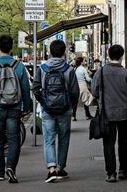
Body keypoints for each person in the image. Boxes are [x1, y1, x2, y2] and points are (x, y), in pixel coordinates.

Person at [0, 35, 31, 183]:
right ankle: (11, 167)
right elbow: (25, 89)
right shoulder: (19, 66)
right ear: (11, 47)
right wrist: (26, 107)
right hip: (15, 108)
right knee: (14, 140)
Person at [32, 40, 79, 183]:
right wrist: (71, 106)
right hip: (65, 110)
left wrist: (44, 103)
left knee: (49, 139)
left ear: (50, 52)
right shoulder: (69, 69)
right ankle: (61, 168)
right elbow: (74, 92)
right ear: (64, 52)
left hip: (48, 110)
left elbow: (35, 88)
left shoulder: (43, 68)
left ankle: (51, 169)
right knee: (64, 139)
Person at [91, 44, 127, 182]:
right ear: (122, 57)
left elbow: (94, 91)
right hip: (124, 112)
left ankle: (111, 173)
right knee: (124, 141)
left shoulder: (100, 72)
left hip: (107, 114)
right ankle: (123, 170)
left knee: (108, 143)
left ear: (108, 55)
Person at [72, 57, 93, 121]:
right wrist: (92, 79)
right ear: (81, 62)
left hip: (75, 86)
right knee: (86, 100)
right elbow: (87, 79)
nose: (85, 62)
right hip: (82, 86)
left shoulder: (75, 69)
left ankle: (73, 116)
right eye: (84, 61)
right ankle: (87, 115)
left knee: (75, 102)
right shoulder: (83, 69)